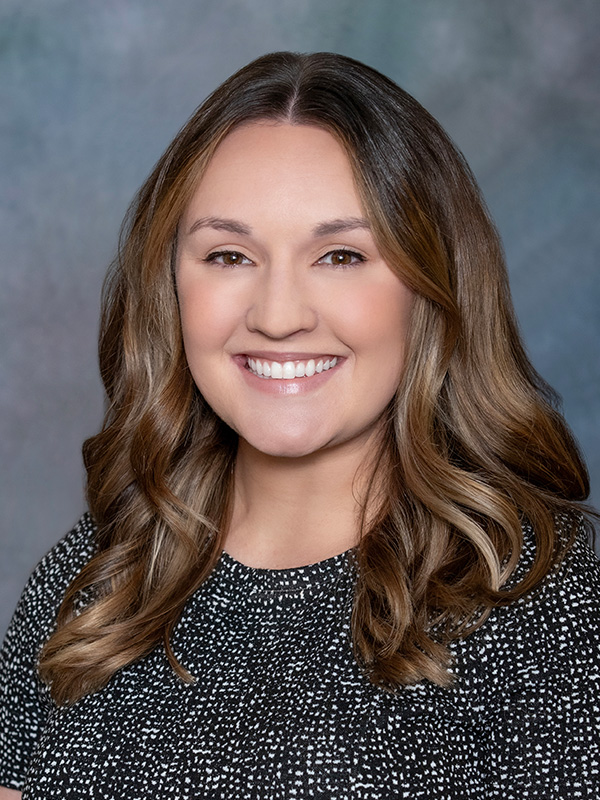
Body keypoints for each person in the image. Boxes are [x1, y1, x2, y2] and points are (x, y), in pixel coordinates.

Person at [1, 50, 598, 799]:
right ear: (169, 286)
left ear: (432, 288)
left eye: (341, 255)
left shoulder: (554, 611)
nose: (279, 317)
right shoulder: (96, 581)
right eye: (229, 255)